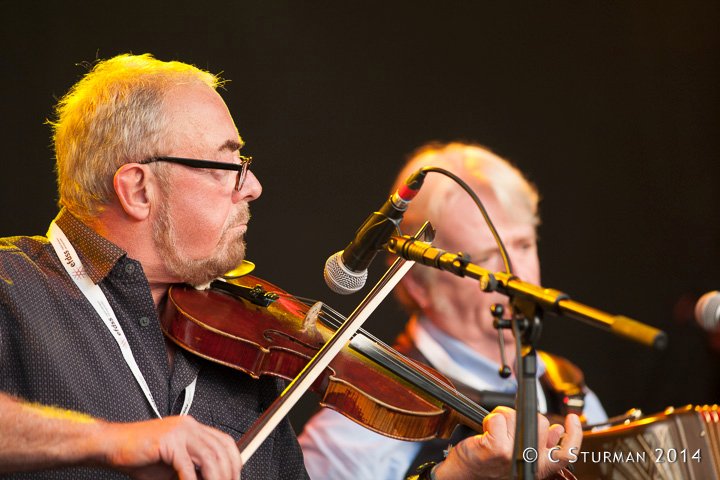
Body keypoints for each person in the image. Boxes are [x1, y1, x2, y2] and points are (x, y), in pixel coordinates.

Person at [0, 55, 580, 480]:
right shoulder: (14, 285)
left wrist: (461, 476)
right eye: (230, 165)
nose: (252, 186)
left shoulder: (242, 346)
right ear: (139, 188)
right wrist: (110, 442)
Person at [299, 142, 607, 479]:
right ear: (418, 283)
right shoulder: (357, 428)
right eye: (487, 259)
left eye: (523, 244)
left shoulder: (572, 396)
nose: (518, 275)